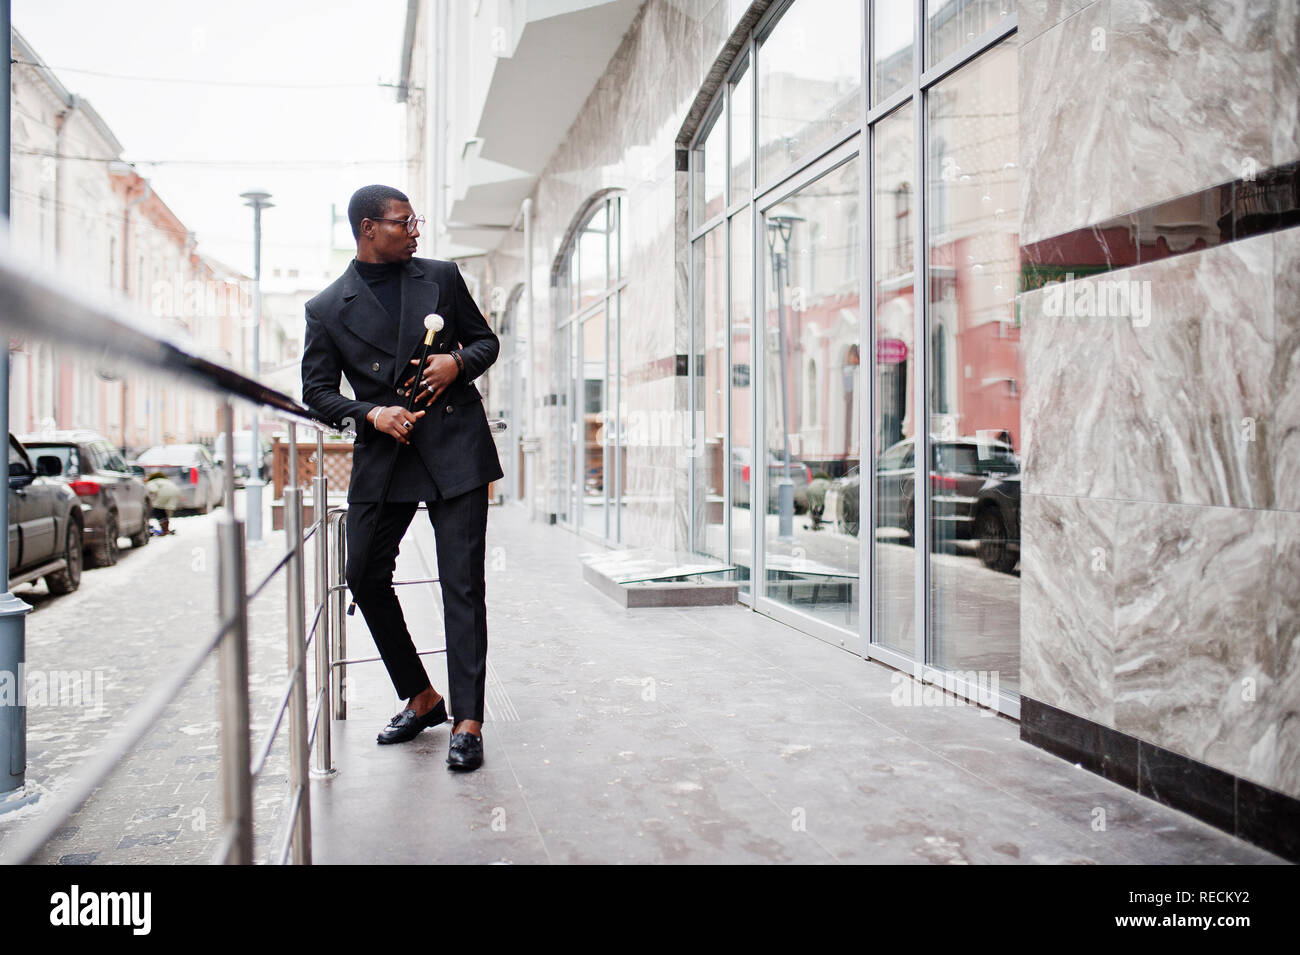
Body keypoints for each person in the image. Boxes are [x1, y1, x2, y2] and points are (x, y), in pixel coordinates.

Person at [300, 185, 503, 772]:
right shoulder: (326, 306)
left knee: (461, 582)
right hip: (385, 454)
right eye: (403, 221)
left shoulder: (440, 276)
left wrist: (457, 363)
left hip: (454, 447)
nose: (415, 229)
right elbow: (316, 391)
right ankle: (422, 697)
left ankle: (468, 719)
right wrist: (369, 413)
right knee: (363, 573)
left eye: (415, 220)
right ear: (368, 228)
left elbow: (486, 340)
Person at [144, 471, 180, 535]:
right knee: (166, 512)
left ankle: (165, 530)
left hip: (163, 493)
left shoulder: (152, 482)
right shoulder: (165, 480)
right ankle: (166, 529)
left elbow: (153, 489)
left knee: (157, 510)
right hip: (175, 492)